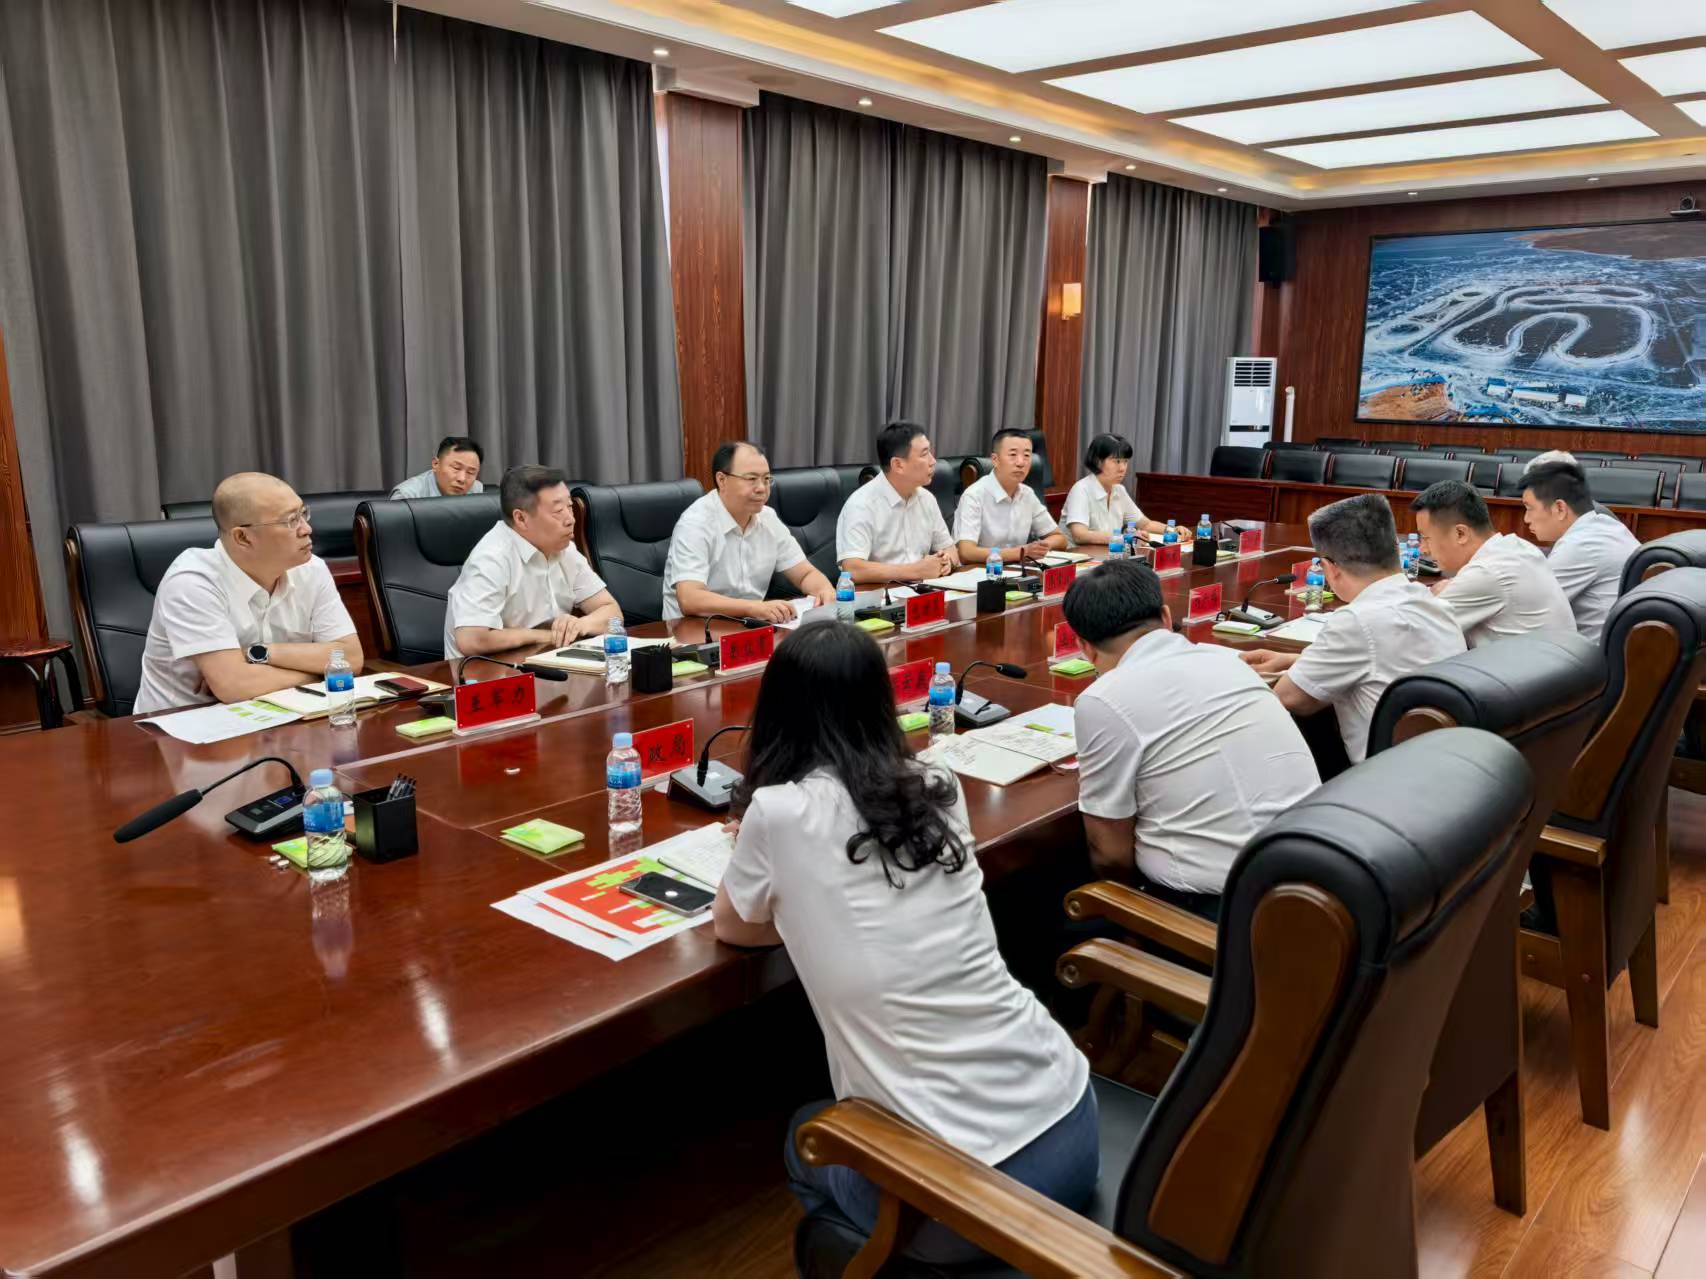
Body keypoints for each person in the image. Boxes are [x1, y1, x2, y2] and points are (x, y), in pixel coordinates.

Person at [713, 624, 1096, 1265]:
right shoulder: (937, 782)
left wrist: (797, 897)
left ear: (778, 711)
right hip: (1071, 1120)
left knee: (807, 1133)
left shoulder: (778, 812)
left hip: (961, 1199)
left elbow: (734, 927)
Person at [1064, 560, 1319, 915]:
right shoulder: (1226, 659)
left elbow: (1110, 854)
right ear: (1166, 616)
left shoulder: (1103, 698)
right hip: (1317, 880)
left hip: (1223, 911)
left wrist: (1129, 919)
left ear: (1084, 647)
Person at [1241, 493, 1465, 767]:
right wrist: (1293, 660)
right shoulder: (1432, 602)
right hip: (1441, 764)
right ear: (1395, 548)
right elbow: (1383, 659)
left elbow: (1290, 698)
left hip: (1381, 776)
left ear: (1329, 568)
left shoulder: (1356, 620)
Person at [133, 473, 362, 715]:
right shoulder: (192, 581)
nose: (306, 529)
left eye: (303, 514)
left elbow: (350, 657)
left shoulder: (311, 569)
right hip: (182, 724)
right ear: (243, 537)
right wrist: (319, 674)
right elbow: (235, 686)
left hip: (277, 717)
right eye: (290, 521)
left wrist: (259, 653)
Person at [444, 465, 622, 660]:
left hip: (547, 663)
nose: (570, 519)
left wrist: (579, 625)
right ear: (521, 518)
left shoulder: (565, 550)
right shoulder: (492, 557)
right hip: (487, 671)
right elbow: (472, 639)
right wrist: (546, 636)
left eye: (570, 506)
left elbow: (613, 614)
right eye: (558, 511)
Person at [663, 441, 835, 623]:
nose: (762, 488)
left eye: (766, 479)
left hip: (750, 624)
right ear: (722, 480)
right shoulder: (696, 523)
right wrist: (753, 608)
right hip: (692, 630)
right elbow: (690, 599)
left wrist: (824, 590)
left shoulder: (768, 518)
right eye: (751, 479)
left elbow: (805, 574)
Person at [1411, 479, 1573, 647]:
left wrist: (1434, 594)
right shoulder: (1520, 547)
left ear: (1460, 534)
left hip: (1526, 662)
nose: (1423, 549)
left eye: (1426, 538)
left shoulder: (1487, 572)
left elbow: (1416, 632)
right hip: (1553, 657)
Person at [1521, 459, 1639, 642]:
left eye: (1529, 509)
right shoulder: (1605, 524)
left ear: (1560, 508)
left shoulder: (1581, 546)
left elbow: (1527, 610)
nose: (1526, 519)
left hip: (1592, 654)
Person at [835, 421, 961, 584]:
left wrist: (946, 562)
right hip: (880, 595)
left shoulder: (926, 499)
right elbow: (852, 569)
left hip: (922, 591)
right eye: (924, 454)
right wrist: (914, 571)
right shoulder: (861, 504)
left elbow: (950, 549)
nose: (932, 461)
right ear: (898, 465)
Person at [953, 428, 1066, 565]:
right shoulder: (974, 495)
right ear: (995, 460)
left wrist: (1038, 548)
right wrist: (1019, 553)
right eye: (1013, 455)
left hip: (1015, 569)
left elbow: (1059, 538)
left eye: (1027, 455)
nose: (1021, 462)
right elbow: (966, 552)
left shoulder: (1027, 494)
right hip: (980, 571)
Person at [1060, 433, 1169, 547]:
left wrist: (1172, 530)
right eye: (1117, 461)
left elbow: (1145, 524)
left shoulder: (1119, 490)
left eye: (1125, 461)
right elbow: (1080, 535)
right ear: (1098, 461)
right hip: (1078, 555)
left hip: (1107, 553)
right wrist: (1124, 538)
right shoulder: (1081, 489)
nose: (1122, 468)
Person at [390, 436, 485, 499]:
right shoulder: (407, 495)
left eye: (470, 472)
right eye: (456, 468)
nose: (462, 479)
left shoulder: (476, 490)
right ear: (435, 464)